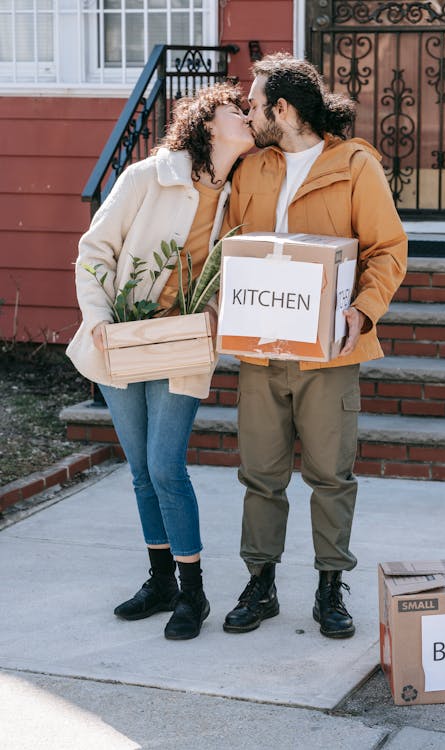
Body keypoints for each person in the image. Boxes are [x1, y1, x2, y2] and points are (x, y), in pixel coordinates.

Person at [222, 53, 408, 638]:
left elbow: (387, 250)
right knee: (260, 475)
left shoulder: (354, 166)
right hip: (260, 351)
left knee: (331, 475)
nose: (247, 114)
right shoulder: (251, 171)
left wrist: (364, 310)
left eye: (253, 104)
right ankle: (262, 583)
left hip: (330, 355)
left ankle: (331, 585)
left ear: (282, 108)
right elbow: (230, 245)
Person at [67, 83, 254, 640]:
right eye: (234, 110)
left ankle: (193, 593)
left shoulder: (240, 193)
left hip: (184, 342)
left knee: (167, 465)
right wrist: (97, 316)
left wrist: (218, 312)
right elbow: (94, 250)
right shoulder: (148, 177)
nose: (246, 115)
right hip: (123, 336)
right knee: (143, 471)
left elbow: (235, 267)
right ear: (206, 124)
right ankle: (160, 582)